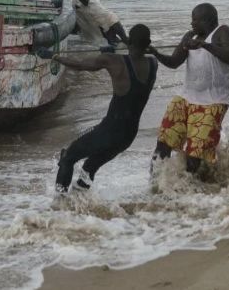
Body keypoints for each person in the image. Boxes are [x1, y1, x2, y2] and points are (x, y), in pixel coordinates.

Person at [52, 24, 157, 192]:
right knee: (89, 167)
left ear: (129, 41)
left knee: (68, 157)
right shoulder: (153, 64)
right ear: (148, 43)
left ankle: (59, 202)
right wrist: (112, 53)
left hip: (109, 131)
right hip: (128, 137)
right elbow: (137, 56)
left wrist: (55, 57)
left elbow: (80, 65)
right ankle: (79, 201)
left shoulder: (112, 60)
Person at [150, 4, 229, 173]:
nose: (191, 24)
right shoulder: (190, 36)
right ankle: (155, 185)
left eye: (195, 20)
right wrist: (155, 53)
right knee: (164, 142)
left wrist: (204, 45)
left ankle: (191, 191)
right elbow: (174, 62)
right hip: (185, 98)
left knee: (195, 154)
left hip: (213, 102)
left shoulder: (223, 32)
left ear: (207, 20)